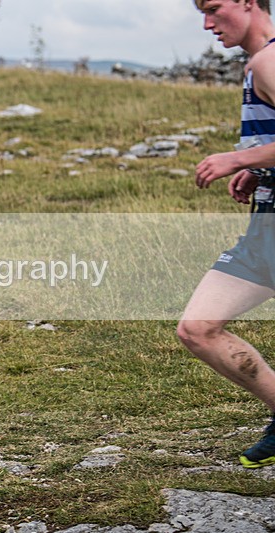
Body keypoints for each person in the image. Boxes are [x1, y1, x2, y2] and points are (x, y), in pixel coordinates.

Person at [178, 0, 275, 468]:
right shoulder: (256, 65)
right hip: (265, 226)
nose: (207, 23)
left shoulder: (268, 60)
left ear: (250, 3)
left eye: (215, 8)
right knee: (198, 328)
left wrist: (238, 160)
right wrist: (262, 172)